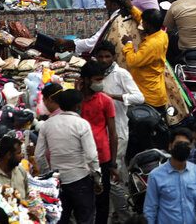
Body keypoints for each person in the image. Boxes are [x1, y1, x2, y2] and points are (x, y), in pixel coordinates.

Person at [35, 89, 100, 224]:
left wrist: (48, 176)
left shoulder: (47, 125)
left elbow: (39, 155)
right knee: (85, 219)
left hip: (58, 182)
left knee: (60, 219)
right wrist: (97, 178)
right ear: (77, 106)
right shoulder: (82, 124)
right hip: (80, 179)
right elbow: (91, 156)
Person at [143, 129, 196, 224]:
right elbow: (150, 209)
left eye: (186, 144)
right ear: (170, 146)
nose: (183, 147)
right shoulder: (155, 176)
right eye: (179, 143)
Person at [94, 40, 143, 174]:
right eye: (101, 57)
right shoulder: (95, 73)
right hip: (99, 130)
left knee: (115, 167)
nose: (104, 60)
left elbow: (139, 98)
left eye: (107, 56)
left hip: (118, 128)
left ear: (114, 57)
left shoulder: (121, 74)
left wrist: (112, 96)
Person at [78, 62, 117, 224]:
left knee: (102, 200)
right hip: (80, 157)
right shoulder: (76, 100)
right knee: (82, 200)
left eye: (101, 79)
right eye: (96, 79)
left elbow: (113, 134)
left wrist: (113, 163)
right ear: (86, 80)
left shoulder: (106, 101)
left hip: (103, 156)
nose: (100, 83)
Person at [122, 9, 169, 112]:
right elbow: (142, 18)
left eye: (143, 22)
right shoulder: (161, 34)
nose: (141, 23)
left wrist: (128, 43)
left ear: (148, 25)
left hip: (148, 96)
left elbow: (132, 61)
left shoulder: (151, 45)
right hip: (154, 92)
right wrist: (131, 8)